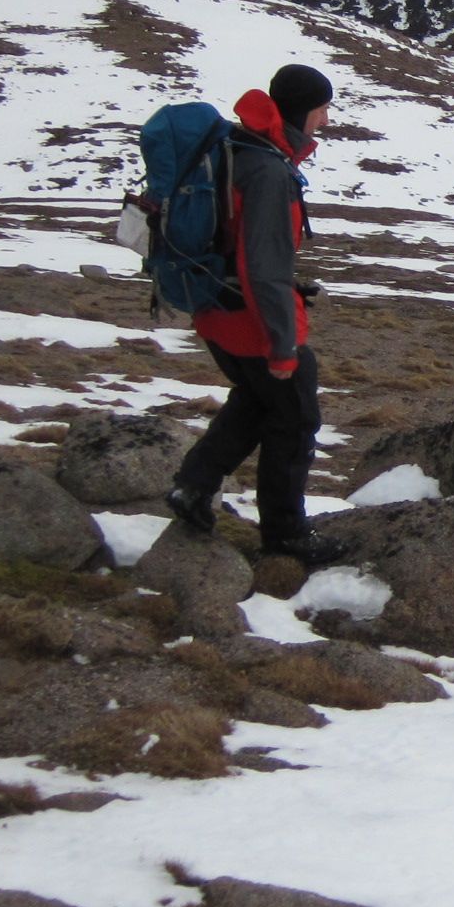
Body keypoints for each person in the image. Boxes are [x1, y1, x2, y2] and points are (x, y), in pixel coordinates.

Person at [164, 63, 345, 565]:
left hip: (216, 310)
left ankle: (193, 485)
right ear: (300, 111)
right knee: (295, 418)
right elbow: (264, 269)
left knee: (256, 401)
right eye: (321, 110)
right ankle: (285, 534)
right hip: (252, 322)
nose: (326, 121)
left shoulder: (240, 147)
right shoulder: (267, 171)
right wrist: (283, 347)